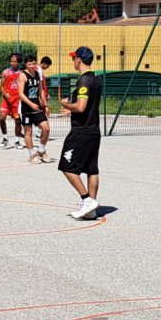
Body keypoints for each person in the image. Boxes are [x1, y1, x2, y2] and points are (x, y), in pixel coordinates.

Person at [59, 47, 103, 220]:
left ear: (79, 59)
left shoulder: (84, 80)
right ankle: (90, 209)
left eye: (74, 58)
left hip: (81, 131)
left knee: (66, 166)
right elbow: (88, 106)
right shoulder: (96, 79)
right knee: (92, 169)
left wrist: (66, 105)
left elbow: (81, 106)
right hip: (94, 130)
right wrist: (71, 110)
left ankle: (87, 200)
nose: (73, 61)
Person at [19, 54, 51, 164]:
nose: (32, 66)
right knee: (28, 131)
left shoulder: (37, 74)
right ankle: (32, 154)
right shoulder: (22, 75)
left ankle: (41, 151)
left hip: (37, 107)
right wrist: (31, 104)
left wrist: (45, 105)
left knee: (46, 128)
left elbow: (41, 91)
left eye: (33, 63)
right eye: (29, 64)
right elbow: (20, 94)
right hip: (27, 108)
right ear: (25, 64)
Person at [0, 52, 23, 148]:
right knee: (2, 117)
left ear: (18, 62)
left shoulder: (22, 74)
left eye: (15, 61)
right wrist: (5, 94)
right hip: (6, 100)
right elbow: (1, 86)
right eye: (11, 61)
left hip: (16, 100)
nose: (13, 63)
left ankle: (17, 141)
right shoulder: (5, 72)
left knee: (17, 121)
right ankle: (5, 138)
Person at [38, 56, 54, 157]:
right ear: (44, 63)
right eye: (47, 66)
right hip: (39, 101)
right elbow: (40, 89)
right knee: (45, 126)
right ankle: (40, 151)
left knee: (44, 125)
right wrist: (44, 103)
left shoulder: (39, 71)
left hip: (41, 99)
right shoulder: (38, 70)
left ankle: (41, 149)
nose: (47, 68)